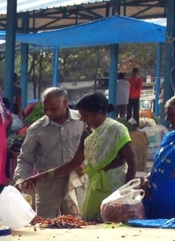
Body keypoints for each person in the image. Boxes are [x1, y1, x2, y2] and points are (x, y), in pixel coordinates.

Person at [22, 92, 136, 221]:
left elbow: (132, 163)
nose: (82, 119)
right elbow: (74, 163)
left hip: (115, 189)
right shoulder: (87, 133)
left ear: (99, 113)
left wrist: (126, 193)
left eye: (85, 116)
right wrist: (42, 176)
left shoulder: (117, 130)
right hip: (94, 189)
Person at [13, 87, 84, 218]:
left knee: (79, 225)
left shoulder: (83, 121)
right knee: (45, 227)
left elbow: (93, 149)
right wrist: (20, 180)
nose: (49, 113)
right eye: (46, 109)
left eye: (54, 109)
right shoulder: (36, 129)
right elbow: (25, 158)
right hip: (48, 186)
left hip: (78, 182)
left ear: (65, 103)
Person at [143, 94, 175, 220]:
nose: (167, 119)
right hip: (154, 202)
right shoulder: (170, 137)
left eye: (172, 115)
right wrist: (146, 179)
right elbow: (159, 163)